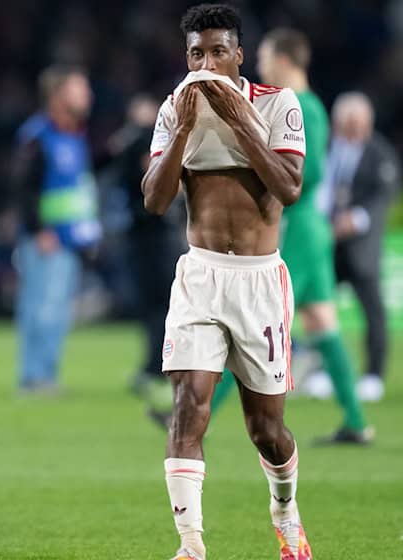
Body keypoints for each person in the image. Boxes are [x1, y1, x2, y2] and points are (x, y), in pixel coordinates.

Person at [142, 5, 312, 559]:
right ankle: (191, 545)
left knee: (267, 430)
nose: (207, 64)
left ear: (239, 54)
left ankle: (285, 510)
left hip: (259, 282)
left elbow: (288, 188)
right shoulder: (175, 109)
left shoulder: (277, 104)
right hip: (201, 275)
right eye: (196, 53)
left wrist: (239, 120)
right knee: (189, 404)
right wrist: (187, 127)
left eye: (218, 51)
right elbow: (155, 199)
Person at [208, 28, 373, 444]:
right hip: (310, 228)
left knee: (254, 320)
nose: (258, 64)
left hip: (298, 227)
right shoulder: (305, 105)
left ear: (284, 59)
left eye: (263, 55)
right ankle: (356, 422)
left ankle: (198, 413)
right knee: (323, 323)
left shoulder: (301, 106)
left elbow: (311, 171)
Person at [11, 65, 99, 393]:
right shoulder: (38, 135)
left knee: (57, 311)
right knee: (41, 309)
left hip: (70, 236)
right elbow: (23, 187)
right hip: (46, 239)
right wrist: (39, 230)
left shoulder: (75, 134)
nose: (87, 95)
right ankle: (35, 377)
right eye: (80, 88)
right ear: (59, 95)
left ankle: (43, 374)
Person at [110, 94, 187, 397]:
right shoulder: (141, 142)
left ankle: (161, 366)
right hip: (152, 233)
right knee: (157, 305)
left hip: (155, 235)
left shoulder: (140, 142)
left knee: (160, 305)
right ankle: (157, 365)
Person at [325, 92, 400, 403]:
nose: (354, 129)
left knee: (373, 312)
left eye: (359, 123)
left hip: (361, 247)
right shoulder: (328, 148)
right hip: (328, 243)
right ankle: (325, 371)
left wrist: (357, 218)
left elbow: (385, 194)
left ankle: (372, 374)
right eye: (348, 123)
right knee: (319, 309)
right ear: (338, 123)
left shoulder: (379, 152)